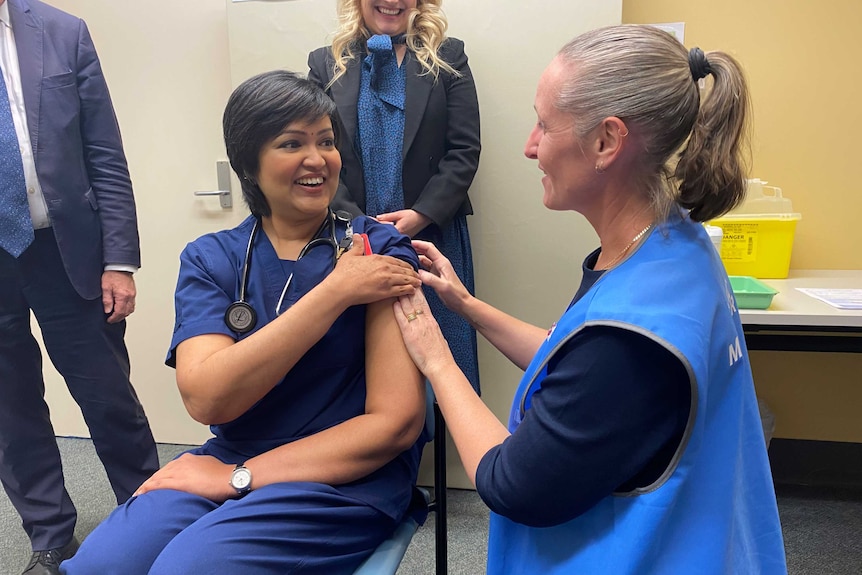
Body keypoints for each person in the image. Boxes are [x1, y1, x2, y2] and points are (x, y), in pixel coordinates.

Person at [391, 24, 788, 574]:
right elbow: (573, 368)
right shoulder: (676, 245)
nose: (531, 147)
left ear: (606, 141)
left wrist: (437, 359)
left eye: (543, 125)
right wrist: (466, 305)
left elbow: (513, 484)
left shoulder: (631, 334)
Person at [61, 70, 426, 575]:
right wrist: (334, 294)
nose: (317, 158)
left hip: (344, 476)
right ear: (248, 161)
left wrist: (236, 478)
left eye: (326, 140)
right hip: (232, 455)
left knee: (188, 569)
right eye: (291, 143)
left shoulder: (378, 251)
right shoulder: (213, 258)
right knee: (99, 566)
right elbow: (208, 397)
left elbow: (395, 424)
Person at [0, 1, 160, 573]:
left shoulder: (63, 31)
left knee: (107, 394)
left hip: (65, 249)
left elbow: (104, 155)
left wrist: (120, 259)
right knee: (9, 407)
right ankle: (49, 534)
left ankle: (149, 517)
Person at [308, 0, 482, 392]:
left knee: (441, 355)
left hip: (430, 237)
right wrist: (359, 223)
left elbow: (464, 150)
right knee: (358, 355)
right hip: (350, 240)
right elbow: (317, 156)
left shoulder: (449, 57)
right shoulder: (324, 64)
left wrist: (421, 214)